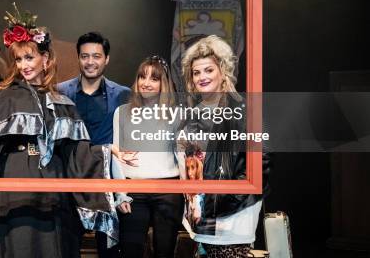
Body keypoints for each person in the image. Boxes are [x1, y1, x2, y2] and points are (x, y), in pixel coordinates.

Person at [0, 5, 125, 258]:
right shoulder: (5, 99)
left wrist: (106, 150)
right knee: (19, 245)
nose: (23, 65)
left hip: (54, 184)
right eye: (18, 59)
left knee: (55, 244)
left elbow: (75, 152)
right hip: (15, 183)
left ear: (45, 59)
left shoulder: (63, 102)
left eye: (29, 57)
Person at [177, 35, 270, 258]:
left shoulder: (245, 111)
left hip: (233, 219)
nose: (202, 77)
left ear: (223, 71)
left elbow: (261, 167)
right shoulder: (190, 116)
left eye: (208, 70)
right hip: (201, 219)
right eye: (196, 72)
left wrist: (223, 203)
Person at [58, 32, 130, 257]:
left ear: (106, 59)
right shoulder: (60, 92)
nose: (90, 62)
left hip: (106, 181)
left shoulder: (123, 95)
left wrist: (123, 191)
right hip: (70, 178)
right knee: (67, 247)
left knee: (108, 248)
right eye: (85, 56)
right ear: (78, 58)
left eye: (96, 56)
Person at [112, 55, 183, 258]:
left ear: (163, 83)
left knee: (164, 251)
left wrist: (190, 194)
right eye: (142, 77)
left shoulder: (176, 114)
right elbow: (117, 154)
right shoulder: (122, 112)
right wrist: (120, 193)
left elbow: (183, 157)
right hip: (134, 190)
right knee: (130, 250)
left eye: (154, 78)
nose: (146, 83)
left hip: (169, 189)